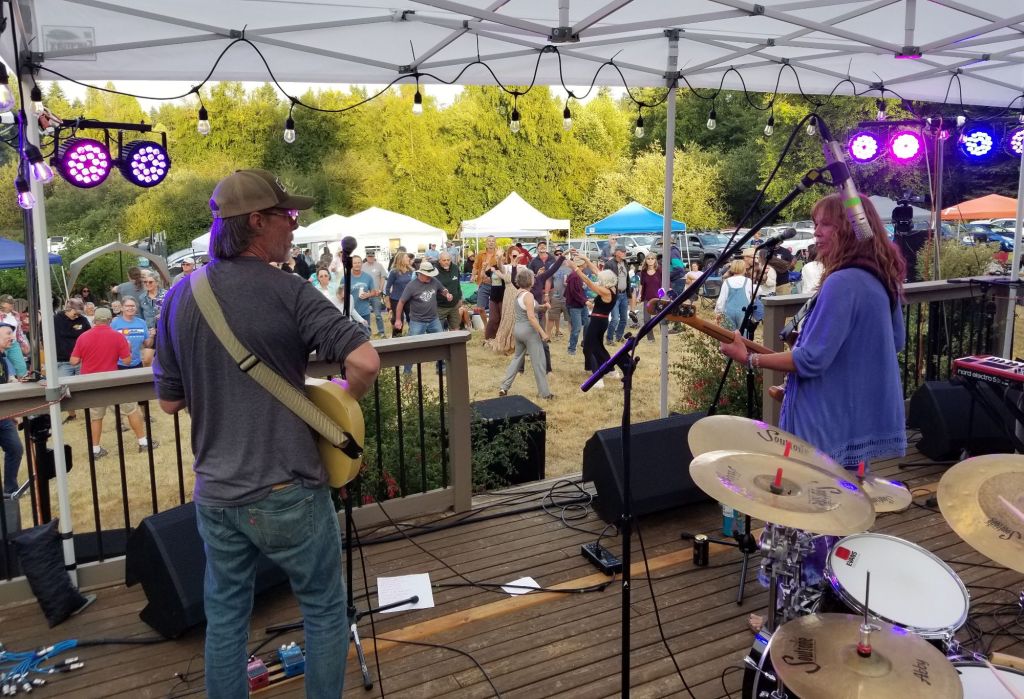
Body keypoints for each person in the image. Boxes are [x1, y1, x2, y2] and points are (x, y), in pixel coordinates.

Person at [154, 169, 380, 698]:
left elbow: (169, 401)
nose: (294, 227)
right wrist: (343, 395)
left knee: (226, 619)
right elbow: (365, 361)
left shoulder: (180, 296)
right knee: (324, 609)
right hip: (287, 488)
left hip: (216, 494)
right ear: (257, 221)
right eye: (288, 216)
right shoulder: (289, 290)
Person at [719, 193, 907, 470]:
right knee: (847, 492)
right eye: (816, 223)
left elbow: (811, 360)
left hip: (824, 420)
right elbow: (895, 342)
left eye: (826, 224)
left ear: (851, 228)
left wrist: (748, 358)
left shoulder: (841, 282)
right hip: (854, 419)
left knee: (809, 491)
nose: (816, 232)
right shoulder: (880, 277)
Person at [70, 307, 158, 459]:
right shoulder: (117, 336)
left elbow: (74, 361)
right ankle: (143, 442)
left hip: (91, 383)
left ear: (95, 320)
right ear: (110, 320)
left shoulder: (83, 337)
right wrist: (128, 348)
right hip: (111, 381)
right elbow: (127, 361)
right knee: (132, 410)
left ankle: (95, 450)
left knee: (96, 417)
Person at [498, 268, 553, 400]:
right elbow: (531, 317)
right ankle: (545, 393)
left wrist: (543, 307)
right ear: (530, 281)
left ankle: (504, 387)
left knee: (517, 359)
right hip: (529, 331)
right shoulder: (529, 295)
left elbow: (528, 307)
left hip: (518, 330)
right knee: (539, 362)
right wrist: (543, 333)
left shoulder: (518, 293)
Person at [393, 260, 453, 373]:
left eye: (431, 275)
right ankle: (407, 371)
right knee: (412, 346)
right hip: (417, 321)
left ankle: (441, 367)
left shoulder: (434, 281)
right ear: (421, 273)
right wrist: (398, 319)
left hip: (433, 319)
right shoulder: (411, 286)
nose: (430, 277)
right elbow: (401, 302)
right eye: (428, 275)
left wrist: (447, 294)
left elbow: (442, 289)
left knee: (441, 343)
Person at [573, 256, 617, 389]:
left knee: (590, 347)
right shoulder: (612, 288)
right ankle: (612, 371)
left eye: (601, 279)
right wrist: (586, 259)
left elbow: (588, 282)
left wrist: (575, 268)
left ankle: (597, 379)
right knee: (598, 347)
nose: (599, 278)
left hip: (597, 322)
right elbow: (597, 271)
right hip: (601, 321)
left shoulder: (605, 291)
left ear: (605, 281)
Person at [0, 324, 24, 497]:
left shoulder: (3, 358)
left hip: (3, 414)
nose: (12, 337)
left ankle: (10, 490)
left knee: (15, 448)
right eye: (8, 334)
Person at [715, 259, 754, 332]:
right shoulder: (748, 281)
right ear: (744, 269)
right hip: (743, 312)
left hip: (729, 311)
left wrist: (719, 312)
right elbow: (752, 296)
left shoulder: (727, 281)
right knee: (743, 334)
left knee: (729, 335)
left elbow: (722, 299)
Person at [471, 237, 500, 329]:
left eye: (493, 241)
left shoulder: (498, 254)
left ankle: (496, 326)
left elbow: (503, 267)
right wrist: (473, 275)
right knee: (480, 308)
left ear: (495, 243)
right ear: (486, 243)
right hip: (483, 283)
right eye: (489, 241)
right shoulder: (480, 254)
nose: (491, 243)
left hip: (496, 284)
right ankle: (486, 326)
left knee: (496, 308)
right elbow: (475, 266)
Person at [111, 297, 148, 369]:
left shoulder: (142, 323)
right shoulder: (114, 324)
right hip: (120, 365)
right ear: (122, 308)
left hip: (138, 363)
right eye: (127, 306)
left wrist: (152, 335)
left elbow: (147, 344)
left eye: (133, 306)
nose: (130, 308)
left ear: (136, 308)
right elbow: (110, 345)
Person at [605, 246, 631, 344]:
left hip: (624, 294)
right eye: (622, 251)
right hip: (614, 295)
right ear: (616, 253)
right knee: (615, 319)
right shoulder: (609, 264)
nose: (624, 253)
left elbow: (627, 279)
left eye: (625, 251)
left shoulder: (625, 263)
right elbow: (605, 279)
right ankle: (609, 339)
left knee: (624, 319)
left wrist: (629, 294)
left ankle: (619, 337)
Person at [384, 253, 414, 336]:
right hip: (396, 300)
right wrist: (387, 301)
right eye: (406, 257)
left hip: (408, 300)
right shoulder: (394, 272)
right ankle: (397, 337)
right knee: (399, 320)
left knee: (411, 318)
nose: (408, 259)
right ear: (401, 259)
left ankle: (412, 336)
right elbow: (387, 287)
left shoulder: (411, 271)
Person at [362, 251, 388, 337]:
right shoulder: (362, 266)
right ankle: (366, 333)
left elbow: (383, 277)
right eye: (369, 256)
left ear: (374, 257)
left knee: (378, 315)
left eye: (372, 256)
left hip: (376, 294)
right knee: (365, 315)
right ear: (366, 257)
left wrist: (380, 289)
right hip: (365, 294)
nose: (370, 258)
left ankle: (381, 332)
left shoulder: (379, 265)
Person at [435, 251, 464, 331]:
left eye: (448, 260)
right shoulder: (434, 270)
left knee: (455, 329)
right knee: (438, 331)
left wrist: (460, 298)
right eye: (444, 260)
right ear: (439, 261)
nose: (446, 262)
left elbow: (458, 284)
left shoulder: (455, 268)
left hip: (454, 305)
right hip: (440, 306)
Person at [638, 254, 663, 342]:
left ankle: (664, 337)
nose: (650, 260)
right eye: (648, 258)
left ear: (655, 260)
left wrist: (662, 296)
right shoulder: (643, 271)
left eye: (652, 258)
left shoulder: (660, 270)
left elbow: (665, 283)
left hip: (659, 298)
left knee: (661, 318)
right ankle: (650, 338)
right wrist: (639, 295)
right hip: (647, 298)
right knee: (646, 320)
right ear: (646, 260)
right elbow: (641, 285)